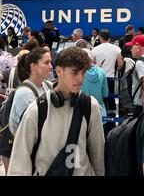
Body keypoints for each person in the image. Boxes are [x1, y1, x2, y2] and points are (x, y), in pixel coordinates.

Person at [7, 47, 105, 176]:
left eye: (83, 72)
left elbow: (98, 156)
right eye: (74, 72)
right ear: (58, 71)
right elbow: (19, 163)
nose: (81, 79)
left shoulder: (90, 106)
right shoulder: (37, 109)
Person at [81, 49, 109, 127]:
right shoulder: (102, 72)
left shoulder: (78, 74)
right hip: (100, 112)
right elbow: (105, 93)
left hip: (82, 113)